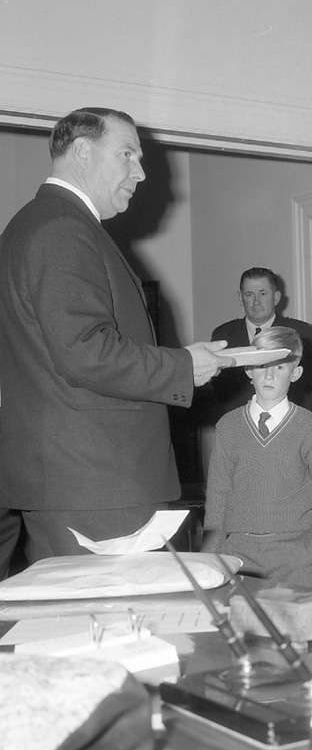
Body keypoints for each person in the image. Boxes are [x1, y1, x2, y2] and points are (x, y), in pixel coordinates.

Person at [0, 107, 232, 562]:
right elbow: (85, 351)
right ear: (82, 151)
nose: (140, 172)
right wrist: (184, 366)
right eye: (127, 154)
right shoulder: (62, 228)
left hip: (76, 478)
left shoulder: (35, 224)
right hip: (96, 480)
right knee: (115, 607)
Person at [201, 326, 312, 586]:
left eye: (279, 367)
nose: (269, 375)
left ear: (295, 373)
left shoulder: (310, 427)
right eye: (262, 365)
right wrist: (210, 557)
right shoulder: (228, 427)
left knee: (295, 613)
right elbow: (217, 495)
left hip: (294, 555)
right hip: (238, 554)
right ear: (248, 370)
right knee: (241, 613)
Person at [211, 267, 312, 420]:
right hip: (240, 425)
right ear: (240, 298)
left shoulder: (305, 334)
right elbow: (217, 390)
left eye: (263, 294)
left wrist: (299, 424)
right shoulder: (223, 337)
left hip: (291, 425)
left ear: (276, 297)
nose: (256, 302)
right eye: (249, 295)